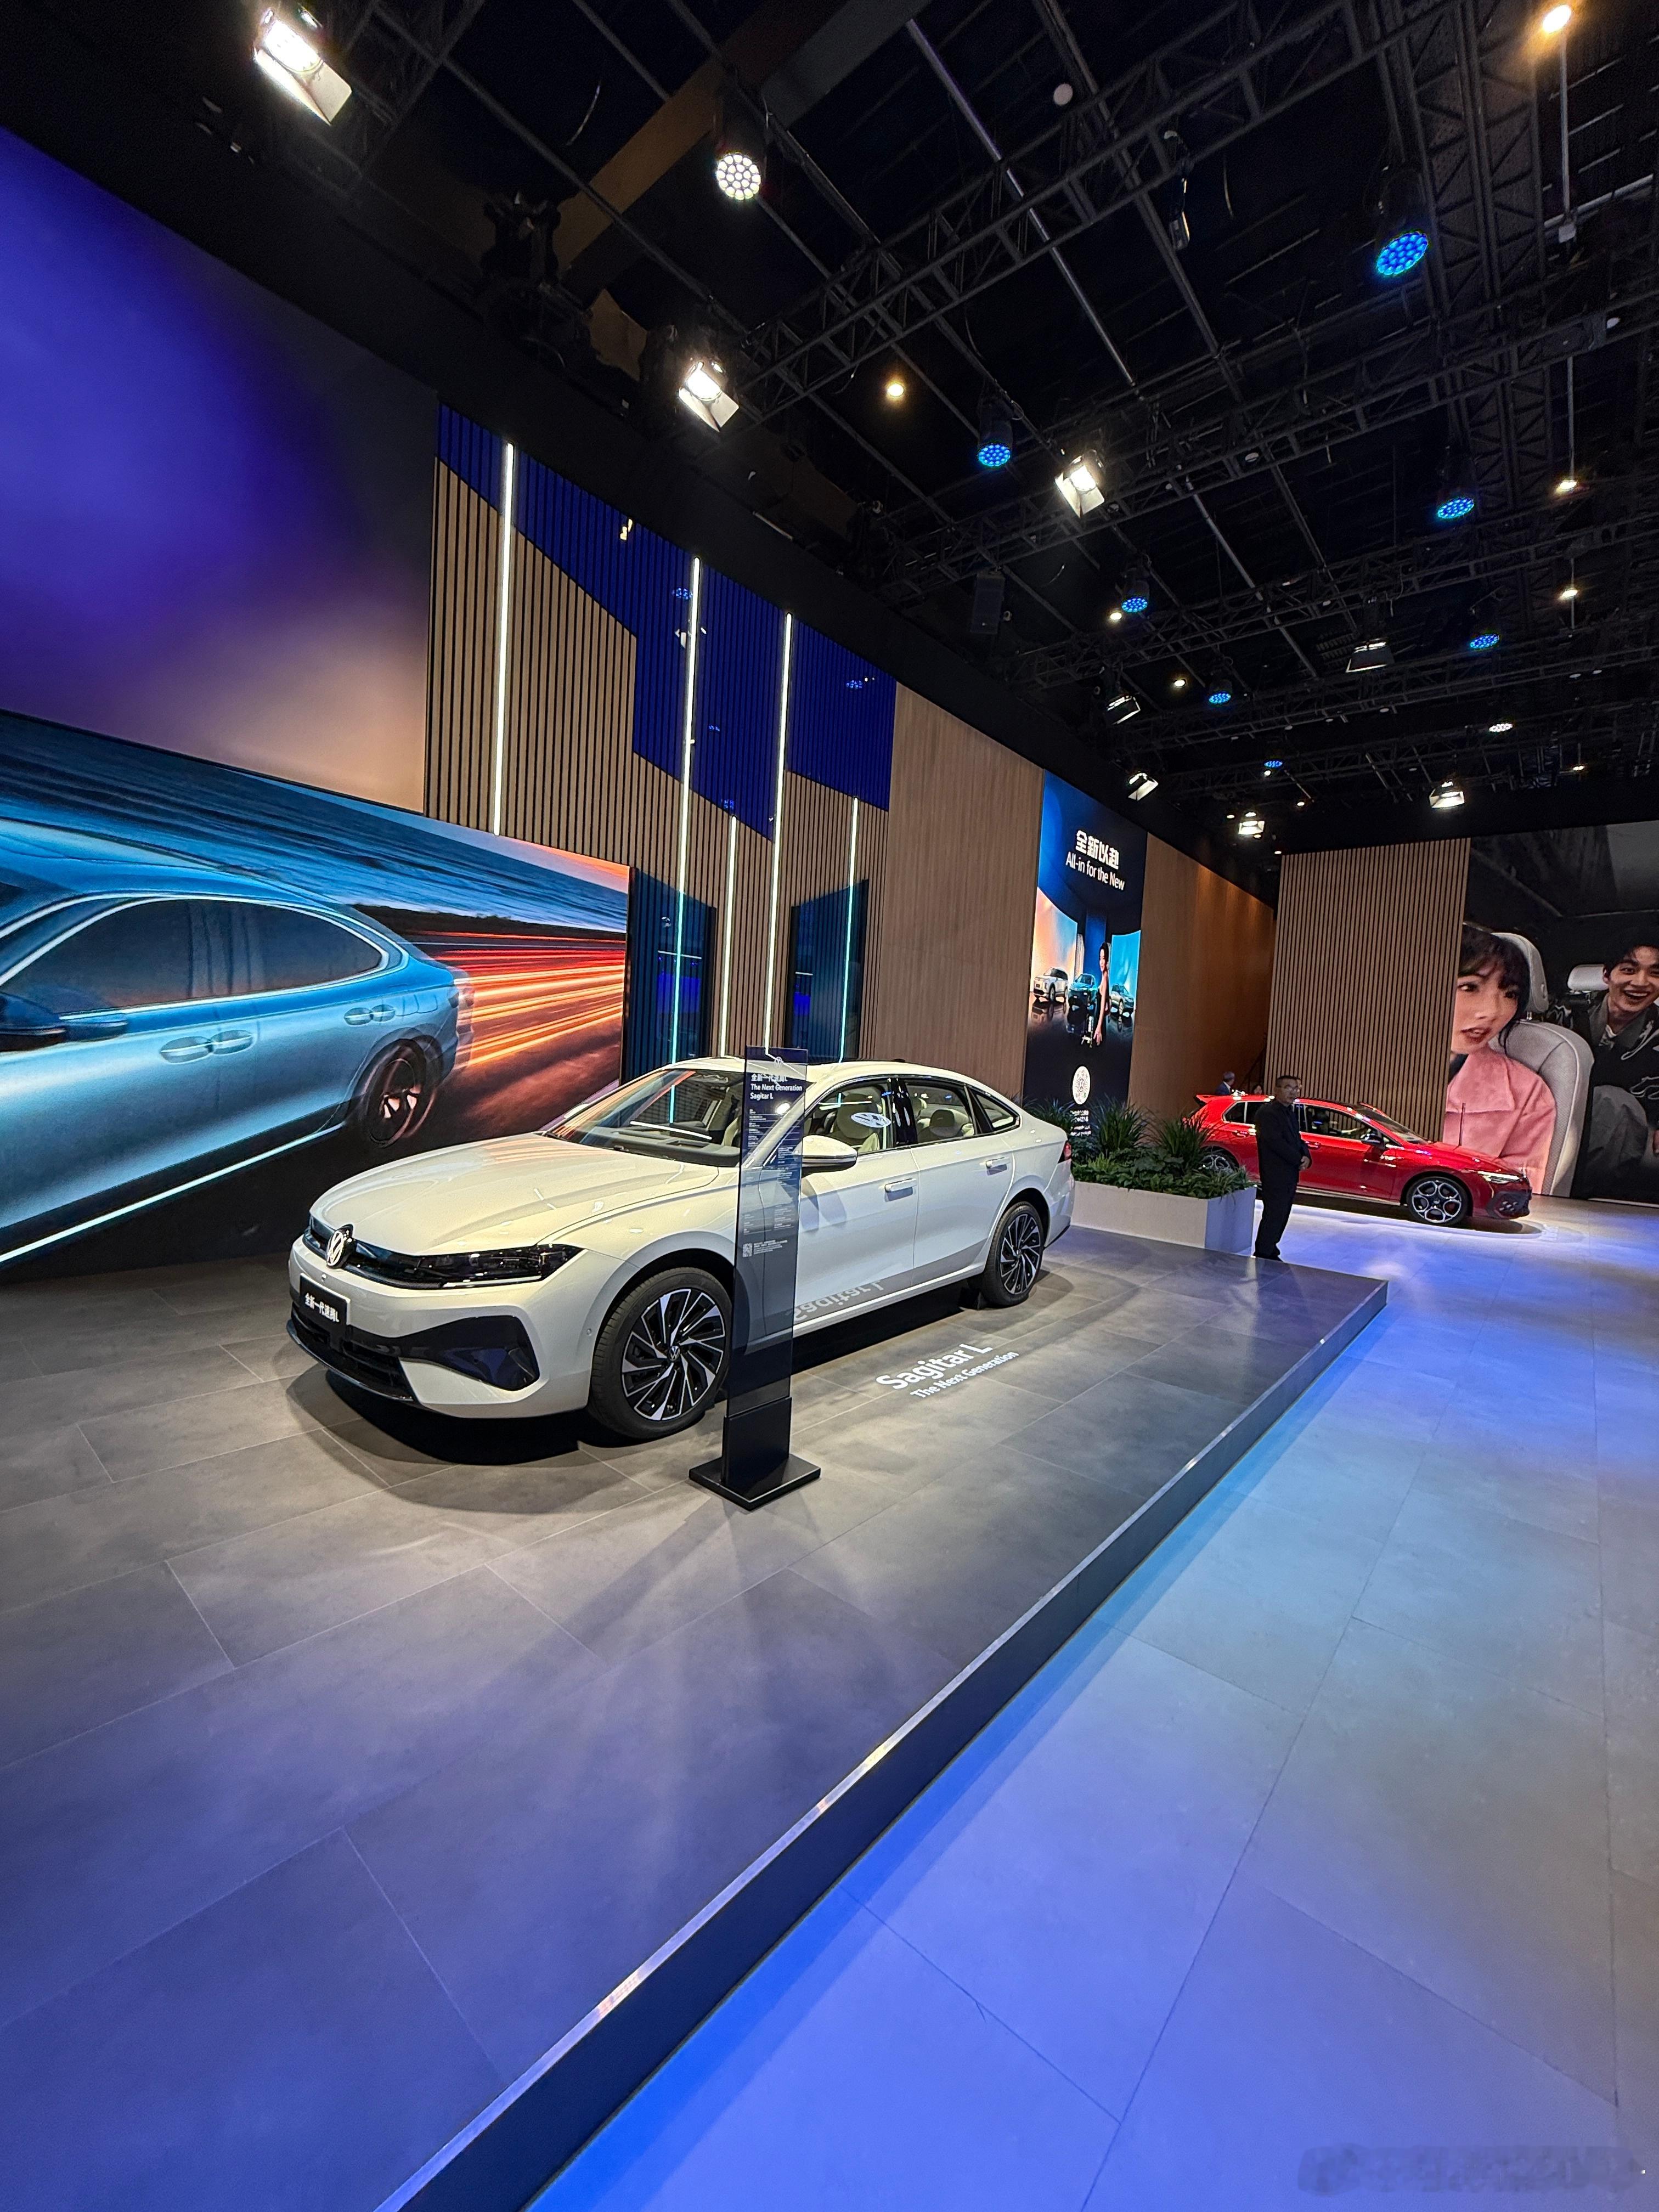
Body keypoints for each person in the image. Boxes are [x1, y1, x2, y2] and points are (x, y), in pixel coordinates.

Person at [1442, 924, 1555, 1192]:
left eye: (1510, 994)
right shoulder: (1356, 1063)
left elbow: (1516, 1196)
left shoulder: (1526, 1093)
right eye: (1470, 987)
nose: (1492, 1011)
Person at [1570, 935, 1659, 1196]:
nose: (1640, 982)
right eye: (1629, 970)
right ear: (1607, 975)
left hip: (1627, 1138)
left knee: (1614, 1103)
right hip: (1556, 1120)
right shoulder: (1564, 1013)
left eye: (1655, 974)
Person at [1255, 1075, 1311, 1260]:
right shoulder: (1268, 1113)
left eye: (1296, 1088)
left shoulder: (1290, 1112)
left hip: (1290, 1173)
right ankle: (1264, 1251)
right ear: (1277, 1090)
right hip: (1275, 1172)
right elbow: (1275, 1143)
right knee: (1274, 1212)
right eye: (1288, 1088)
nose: (1293, 1092)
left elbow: (1297, 1138)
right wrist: (1298, 1159)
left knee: (1283, 1212)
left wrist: (1306, 1155)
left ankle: (1272, 1246)